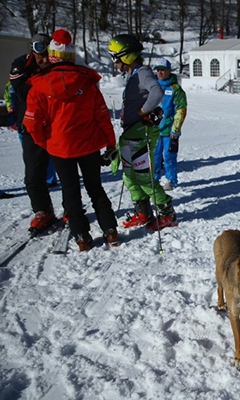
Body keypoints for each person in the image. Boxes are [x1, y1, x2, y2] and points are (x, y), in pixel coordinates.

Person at [24, 29, 119, 251]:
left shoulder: (39, 86)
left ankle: (82, 236)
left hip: (59, 148)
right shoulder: (87, 82)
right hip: (88, 145)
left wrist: (45, 142)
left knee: (70, 190)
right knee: (95, 188)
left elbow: (32, 123)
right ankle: (110, 231)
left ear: (52, 55)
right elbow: (102, 116)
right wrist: (110, 143)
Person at [108, 34, 176, 231]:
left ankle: (166, 213)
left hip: (141, 133)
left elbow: (157, 92)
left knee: (144, 177)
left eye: (116, 57)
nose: (115, 62)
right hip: (131, 133)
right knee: (129, 176)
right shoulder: (134, 74)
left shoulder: (143, 72)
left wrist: (143, 111)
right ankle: (142, 211)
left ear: (126, 56)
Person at [9, 33, 58, 236]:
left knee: (66, 169)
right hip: (30, 125)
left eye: (47, 50)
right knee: (33, 174)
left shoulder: (57, 63)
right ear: (32, 48)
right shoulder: (20, 64)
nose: (43, 55)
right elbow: (22, 91)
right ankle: (43, 210)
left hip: (56, 124)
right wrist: (43, 77)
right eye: (39, 48)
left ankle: (72, 209)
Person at [153, 58, 187, 190]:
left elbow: (181, 109)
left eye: (163, 69)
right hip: (154, 130)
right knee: (154, 156)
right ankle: (154, 179)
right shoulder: (153, 86)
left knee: (169, 156)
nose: (160, 72)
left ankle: (171, 179)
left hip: (169, 131)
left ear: (168, 70)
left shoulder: (175, 89)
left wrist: (175, 130)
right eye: (158, 70)